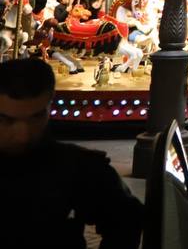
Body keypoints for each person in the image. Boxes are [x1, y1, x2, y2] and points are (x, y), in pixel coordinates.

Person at [0, 58, 142, 248]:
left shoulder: (76, 167)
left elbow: (125, 219)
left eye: (36, 117)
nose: (23, 135)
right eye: (6, 120)